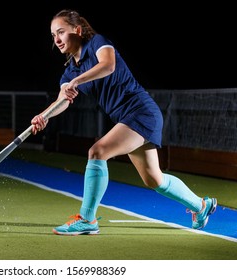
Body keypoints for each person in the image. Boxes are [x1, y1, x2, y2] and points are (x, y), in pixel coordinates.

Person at [31, 9, 217, 235]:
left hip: (140, 111)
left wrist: (77, 82)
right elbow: (63, 99)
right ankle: (201, 205)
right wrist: (44, 116)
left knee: (97, 151)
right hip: (125, 117)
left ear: (77, 30)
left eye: (61, 32)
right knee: (153, 179)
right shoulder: (70, 71)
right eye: (53, 35)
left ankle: (88, 220)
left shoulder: (97, 43)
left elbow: (108, 66)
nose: (57, 39)